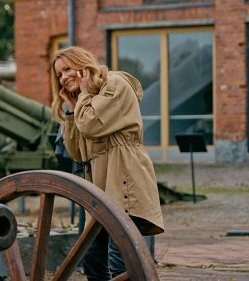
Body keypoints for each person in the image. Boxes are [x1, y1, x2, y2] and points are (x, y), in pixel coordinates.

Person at [50, 46, 164, 280]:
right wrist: (72, 111)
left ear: (83, 64)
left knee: (119, 253)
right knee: (92, 256)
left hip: (123, 174)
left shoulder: (115, 84)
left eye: (67, 69)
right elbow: (76, 153)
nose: (63, 78)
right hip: (99, 182)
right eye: (59, 74)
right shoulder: (85, 101)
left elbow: (91, 125)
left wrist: (82, 97)